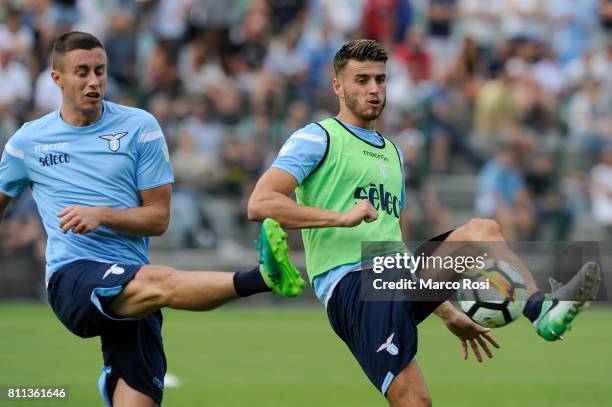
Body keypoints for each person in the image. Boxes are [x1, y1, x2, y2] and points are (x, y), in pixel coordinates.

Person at [248, 39, 601, 406]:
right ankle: (541, 311)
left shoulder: (392, 152)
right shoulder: (316, 137)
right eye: (361, 80)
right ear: (338, 86)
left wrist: (446, 311)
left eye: (380, 80)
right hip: (351, 285)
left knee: (483, 231)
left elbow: (389, 243)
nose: (373, 89)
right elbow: (261, 202)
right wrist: (340, 217)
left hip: (393, 275)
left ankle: (540, 311)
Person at [0, 31, 305, 407]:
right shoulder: (28, 142)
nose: (94, 81)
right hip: (73, 276)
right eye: (81, 72)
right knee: (163, 281)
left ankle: (114, 381)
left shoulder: (140, 128)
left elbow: (158, 219)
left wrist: (101, 215)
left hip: (133, 281)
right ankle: (261, 277)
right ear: (56, 78)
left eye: (100, 70)